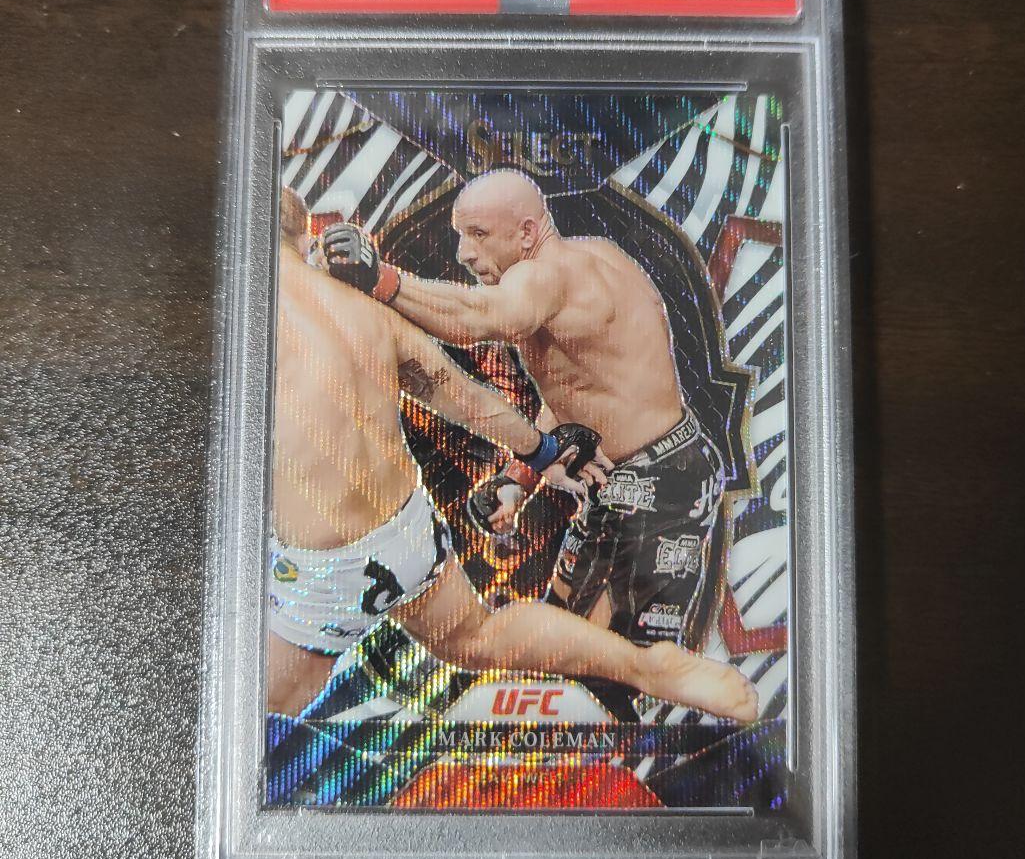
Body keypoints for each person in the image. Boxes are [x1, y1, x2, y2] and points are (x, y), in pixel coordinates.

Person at [269, 186, 757, 723]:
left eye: (477, 235)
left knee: (262, 706)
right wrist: (525, 469)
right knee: (489, 637)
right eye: (461, 236)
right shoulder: (361, 310)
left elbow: (480, 318)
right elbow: (480, 395)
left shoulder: (546, 279)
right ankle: (648, 667)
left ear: (526, 232)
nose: (463, 253)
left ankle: (641, 681)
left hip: (655, 476)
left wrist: (384, 279)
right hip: (409, 535)